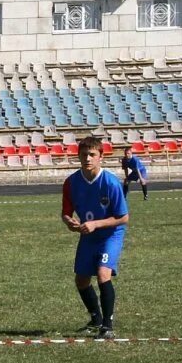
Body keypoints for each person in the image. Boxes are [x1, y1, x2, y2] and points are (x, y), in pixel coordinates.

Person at [61, 138, 129, 339]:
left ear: (101, 157)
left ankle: (107, 326)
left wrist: (95, 224)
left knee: (102, 273)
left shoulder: (110, 183)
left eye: (92, 155)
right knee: (81, 280)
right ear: (78, 156)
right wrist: (69, 222)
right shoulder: (71, 182)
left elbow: (123, 217)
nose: (88, 158)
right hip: (88, 234)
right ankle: (95, 317)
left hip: (110, 234)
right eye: (84, 154)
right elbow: (65, 212)